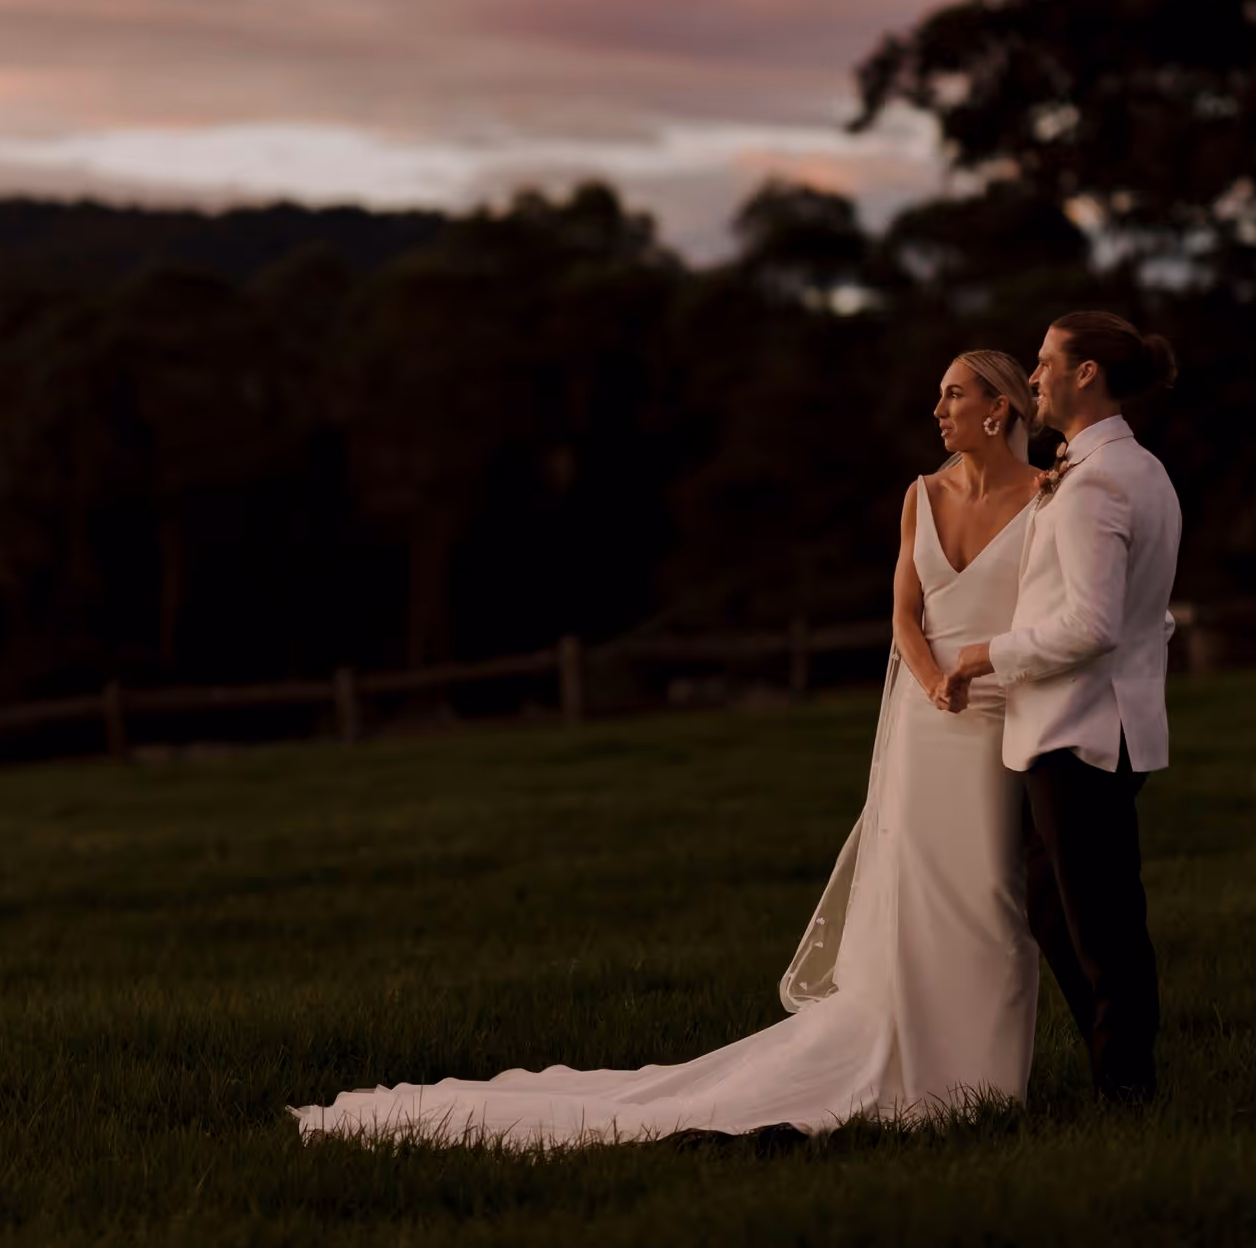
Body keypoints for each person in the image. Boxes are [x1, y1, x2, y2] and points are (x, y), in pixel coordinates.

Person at [292, 350, 1044, 1144]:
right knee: (918, 898)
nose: (938, 409)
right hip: (927, 722)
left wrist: (974, 674)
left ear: (997, 409)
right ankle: (918, 1066)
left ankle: (986, 1081)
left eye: (954, 395)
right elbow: (903, 614)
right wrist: (930, 680)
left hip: (993, 719)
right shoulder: (920, 495)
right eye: (939, 395)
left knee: (989, 897)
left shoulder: (1044, 499)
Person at [942, 311, 1181, 1106]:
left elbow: (1092, 625)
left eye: (1046, 361)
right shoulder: (1136, 469)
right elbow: (1150, 616)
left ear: (1087, 374)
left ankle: (1127, 1089)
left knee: (1102, 925)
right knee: (1055, 907)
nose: (1034, 375)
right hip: (1091, 725)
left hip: (1081, 731)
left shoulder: (1097, 483)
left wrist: (987, 654)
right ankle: (1119, 1067)